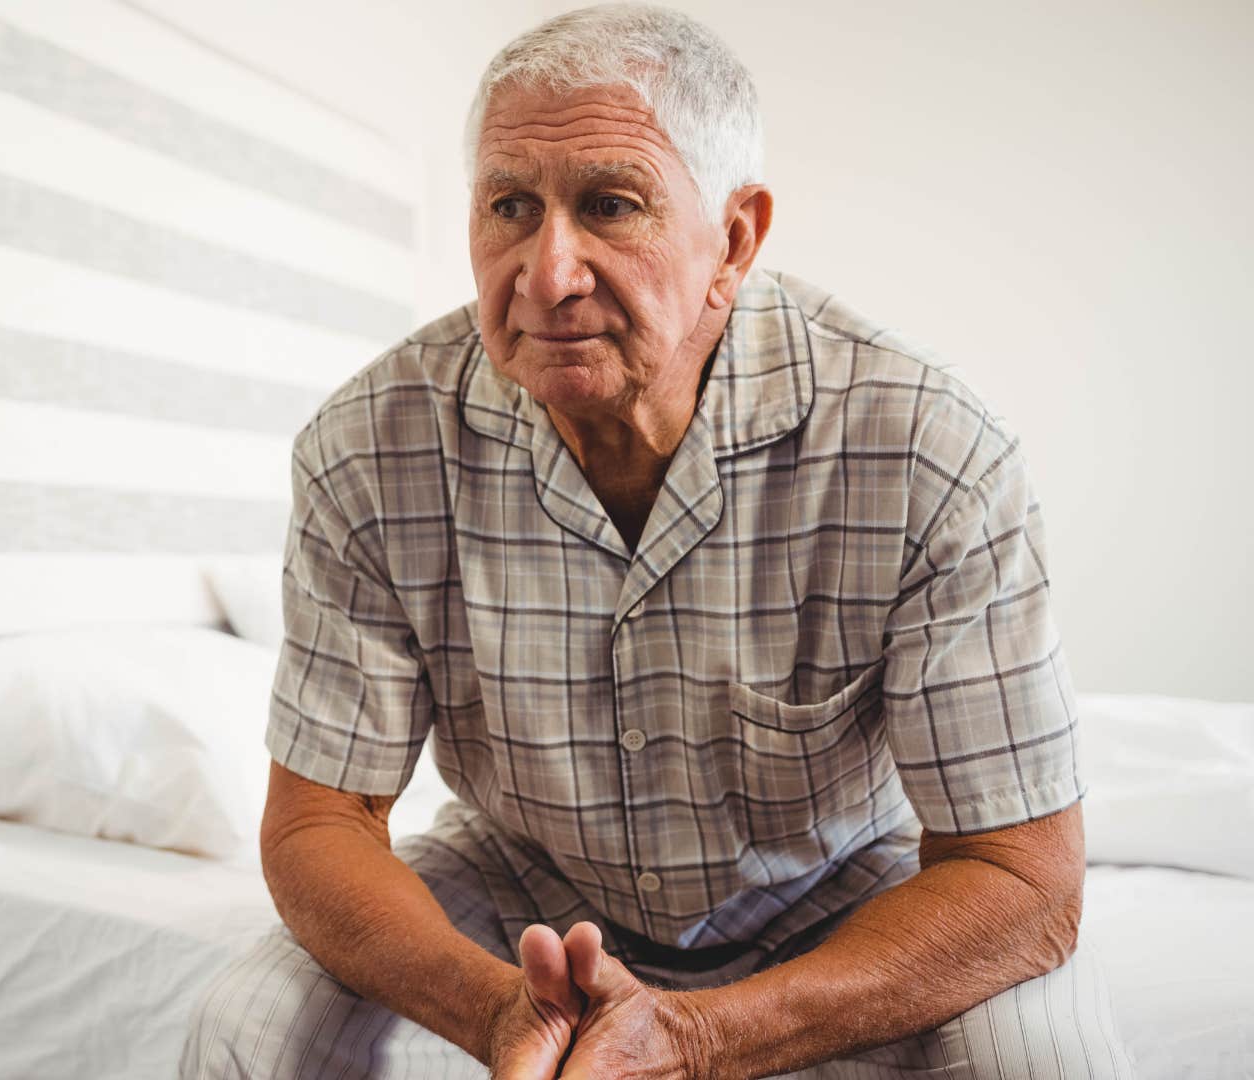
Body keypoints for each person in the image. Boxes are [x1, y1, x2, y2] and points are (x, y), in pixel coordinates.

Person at [181, 4, 1133, 1078]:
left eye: (609, 205)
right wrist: (497, 1010)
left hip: (839, 888)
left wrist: (698, 1036)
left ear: (734, 240)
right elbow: (321, 825)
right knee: (242, 1030)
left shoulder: (928, 447)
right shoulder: (366, 447)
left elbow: (1021, 875)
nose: (548, 272)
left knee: (1046, 1059)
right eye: (509, 205)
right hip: (521, 883)